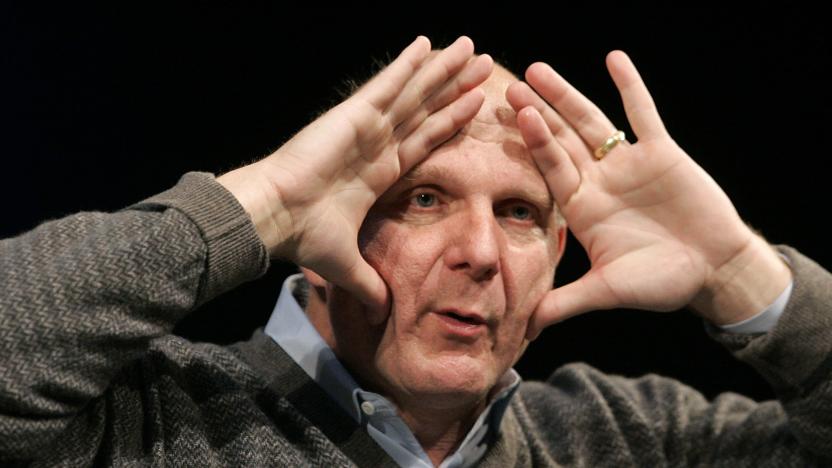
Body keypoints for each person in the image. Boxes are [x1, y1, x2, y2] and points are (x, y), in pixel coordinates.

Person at [0, 35, 829, 467]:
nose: (479, 252)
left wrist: (737, 275)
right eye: (422, 199)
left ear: (558, 249)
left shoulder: (630, 441)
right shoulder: (141, 422)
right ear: (322, 222)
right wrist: (256, 205)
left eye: (518, 212)